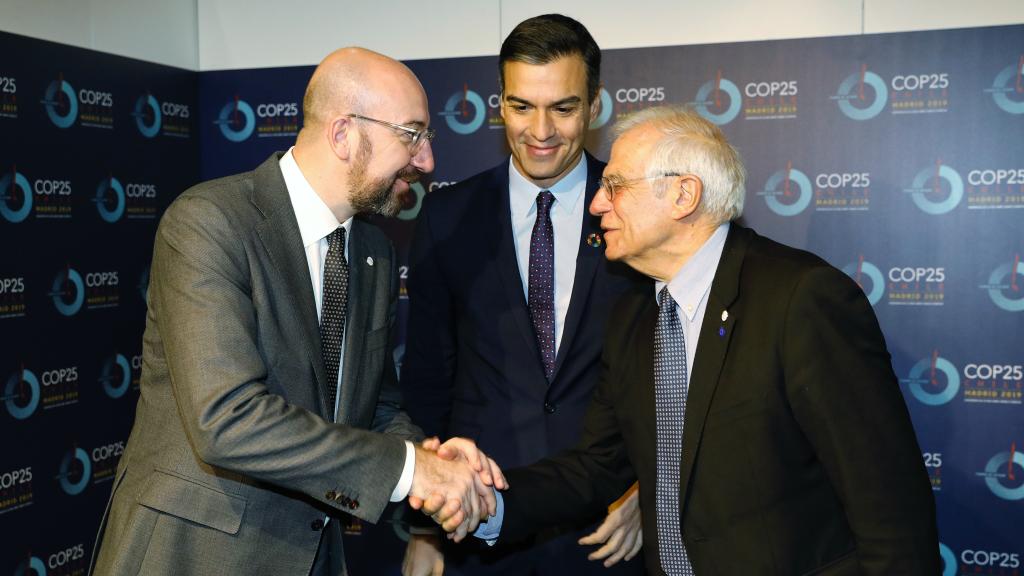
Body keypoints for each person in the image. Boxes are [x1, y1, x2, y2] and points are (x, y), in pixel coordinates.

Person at [426, 105, 940, 574]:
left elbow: (891, 512)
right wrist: (484, 499)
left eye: (616, 186)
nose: (596, 203)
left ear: (683, 195)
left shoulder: (801, 300)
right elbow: (597, 466)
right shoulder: (633, 317)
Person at [89, 47, 502, 576]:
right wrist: (408, 469)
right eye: (412, 135)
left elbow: (375, 407)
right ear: (343, 133)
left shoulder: (372, 250)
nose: (426, 162)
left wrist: (430, 458)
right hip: (193, 556)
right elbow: (228, 419)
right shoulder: (210, 223)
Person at [401, 13, 648, 576]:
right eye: (521, 107)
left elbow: (678, 373)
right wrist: (424, 527)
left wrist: (646, 491)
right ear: (500, 103)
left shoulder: (637, 213)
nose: (540, 130)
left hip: (608, 531)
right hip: (477, 522)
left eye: (562, 108)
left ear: (593, 105)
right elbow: (427, 378)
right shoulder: (447, 216)